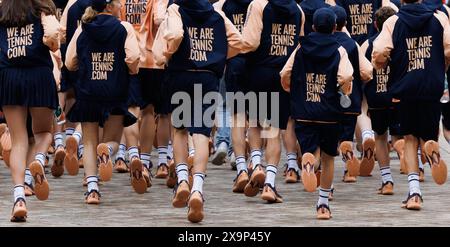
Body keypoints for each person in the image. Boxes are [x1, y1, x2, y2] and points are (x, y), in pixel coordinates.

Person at [153, 0, 242, 223]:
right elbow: (239, 42)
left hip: (181, 73)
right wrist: (218, 55)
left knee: (180, 131)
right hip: (208, 76)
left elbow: (173, 34)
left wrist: (168, 54)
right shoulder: (218, 15)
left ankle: (183, 179)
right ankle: (198, 188)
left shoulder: (176, 9)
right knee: (201, 134)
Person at [372, 0, 450, 210]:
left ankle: (414, 193)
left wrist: (383, 64)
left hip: (405, 86)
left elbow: (379, 51)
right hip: (431, 86)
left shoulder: (393, 21)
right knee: (427, 133)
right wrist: (442, 66)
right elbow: (449, 48)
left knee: (408, 138)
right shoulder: (440, 17)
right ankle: (430, 147)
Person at [281, 7, 353, 219]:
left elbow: (285, 72)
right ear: (334, 28)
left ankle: (309, 159)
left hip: (304, 110)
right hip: (330, 111)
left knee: (310, 148)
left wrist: (291, 89)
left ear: (312, 26)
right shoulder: (339, 50)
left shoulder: (300, 48)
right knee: (329, 157)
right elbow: (346, 76)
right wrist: (344, 91)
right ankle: (323, 205)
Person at [65, 0, 140, 204]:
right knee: (113, 139)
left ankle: (92, 190)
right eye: (118, 3)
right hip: (114, 90)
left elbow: (69, 61)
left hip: (88, 90)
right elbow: (133, 58)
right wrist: (129, 70)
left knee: (89, 142)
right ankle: (107, 149)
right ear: (109, 7)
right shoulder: (123, 27)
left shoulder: (83, 27)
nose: (121, 7)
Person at [0, 0, 61, 222]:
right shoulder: (41, 10)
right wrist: (52, 45)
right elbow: (54, 34)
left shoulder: (2, 11)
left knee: (18, 140)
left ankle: (18, 196)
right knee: (43, 132)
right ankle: (38, 160)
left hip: (10, 75)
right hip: (38, 74)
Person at [240, 0, 304, 203]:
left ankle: (256, 163)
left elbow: (250, 42)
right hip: (283, 75)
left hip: (259, 71)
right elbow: (299, 46)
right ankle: (269, 182)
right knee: (274, 130)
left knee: (255, 123)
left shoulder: (258, 5)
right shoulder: (297, 10)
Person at [331, 5, 373, 184]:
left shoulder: (322, 43)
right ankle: (349, 170)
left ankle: (319, 171)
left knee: (327, 138)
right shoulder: (352, 44)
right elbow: (367, 71)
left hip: (327, 101)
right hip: (349, 98)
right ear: (345, 23)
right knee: (347, 134)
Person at [361, 6, 399, 194]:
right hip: (398, 94)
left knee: (381, 137)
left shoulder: (367, 44)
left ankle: (387, 180)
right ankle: (417, 166)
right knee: (405, 136)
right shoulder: (400, 42)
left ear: (375, 24)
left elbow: (362, 72)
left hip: (376, 97)